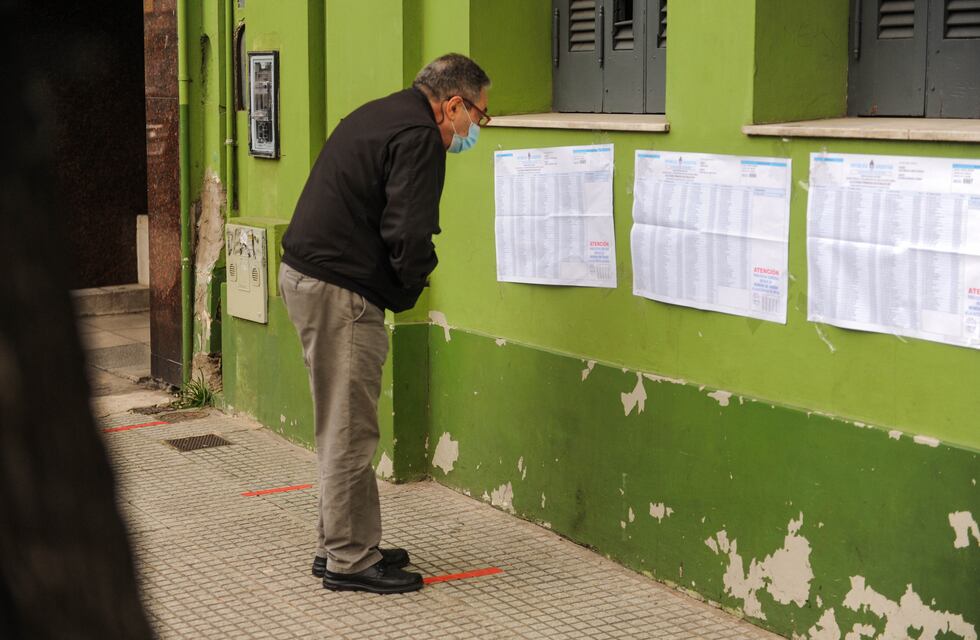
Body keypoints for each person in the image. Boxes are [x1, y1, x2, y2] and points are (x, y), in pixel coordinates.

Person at [279, 53, 491, 594]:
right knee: (351, 426)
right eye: (480, 117)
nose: (476, 129)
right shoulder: (421, 136)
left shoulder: (383, 113)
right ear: (453, 104)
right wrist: (411, 287)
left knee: (339, 421)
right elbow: (408, 230)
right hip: (339, 290)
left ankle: (342, 544)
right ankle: (350, 559)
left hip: (312, 276)